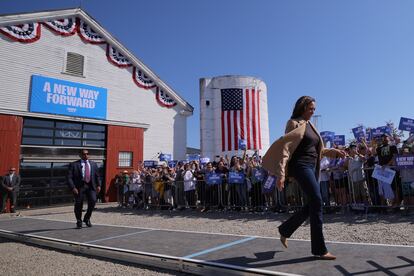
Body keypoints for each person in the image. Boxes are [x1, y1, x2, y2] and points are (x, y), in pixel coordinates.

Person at [262, 96, 346, 260]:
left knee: (313, 204)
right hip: (300, 166)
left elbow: (316, 150)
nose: (313, 112)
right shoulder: (293, 123)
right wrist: (281, 173)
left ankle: (285, 229)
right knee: (317, 200)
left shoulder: (311, 126)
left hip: (312, 167)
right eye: (310, 109)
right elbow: (286, 148)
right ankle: (319, 249)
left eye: (314, 109)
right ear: (302, 108)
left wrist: (334, 151)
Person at [67, 149, 101, 229]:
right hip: (79, 187)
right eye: (83, 154)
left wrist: (98, 185)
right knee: (79, 204)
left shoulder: (93, 164)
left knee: (93, 201)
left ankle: (87, 218)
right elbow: (69, 177)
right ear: (80, 155)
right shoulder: (74, 164)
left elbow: (97, 176)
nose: (85, 155)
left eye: (87, 154)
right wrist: (73, 187)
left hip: (91, 186)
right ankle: (79, 221)